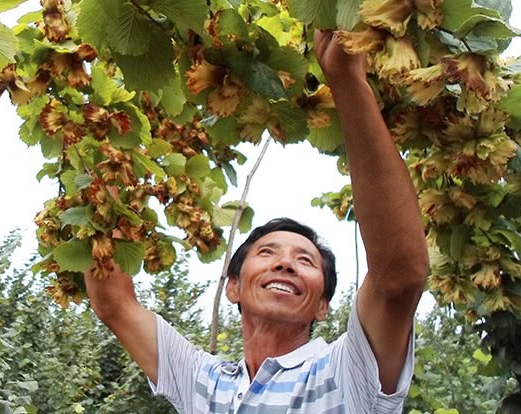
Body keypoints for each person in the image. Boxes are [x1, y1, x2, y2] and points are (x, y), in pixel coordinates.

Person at [84, 30, 430, 413]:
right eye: (267, 252)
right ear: (232, 287)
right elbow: (113, 301)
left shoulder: (346, 376)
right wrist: (105, 161)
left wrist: (347, 80)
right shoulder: (202, 382)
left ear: (322, 307)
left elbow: (399, 279)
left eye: (306, 261)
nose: (284, 263)